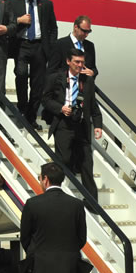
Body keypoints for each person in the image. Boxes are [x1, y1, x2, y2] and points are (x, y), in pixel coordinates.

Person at [42, 48, 103, 204]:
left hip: (81, 126)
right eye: (77, 62)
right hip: (63, 124)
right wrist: (60, 108)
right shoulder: (56, 78)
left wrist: (97, 125)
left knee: (87, 164)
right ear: (68, 61)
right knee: (64, 160)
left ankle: (92, 202)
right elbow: (46, 100)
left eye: (82, 62)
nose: (80, 65)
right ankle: (58, 196)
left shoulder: (87, 81)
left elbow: (93, 106)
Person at [6, 0, 58, 130]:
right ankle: (22, 109)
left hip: (39, 46)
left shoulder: (46, 4)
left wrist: (50, 47)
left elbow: (52, 28)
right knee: (21, 75)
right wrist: (19, 20)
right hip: (21, 45)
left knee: (38, 84)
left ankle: (31, 116)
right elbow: (7, 22)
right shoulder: (14, 3)